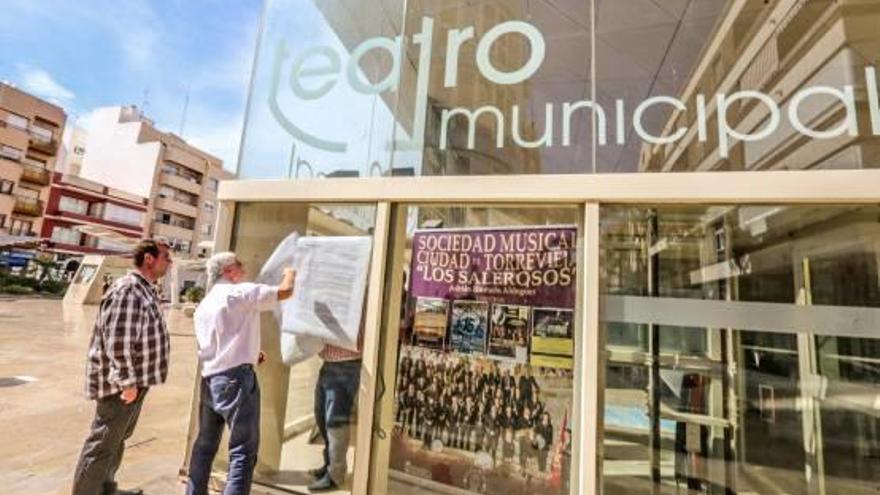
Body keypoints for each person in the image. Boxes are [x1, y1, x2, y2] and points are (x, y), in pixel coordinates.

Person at [186, 252, 296, 495]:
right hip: (235, 381)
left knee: (204, 447)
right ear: (228, 270)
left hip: (210, 381)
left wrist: (251, 352)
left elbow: (220, 340)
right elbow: (286, 291)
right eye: (240, 265)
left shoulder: (204, 304)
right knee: (242, 453)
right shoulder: (239, 292)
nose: (244, 270)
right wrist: (291, 269)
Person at [71, 239, 173, 495]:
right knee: (103, 443)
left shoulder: (145, 288)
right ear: (149, 259)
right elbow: (118, 341)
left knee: (116, 440)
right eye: (166, 258)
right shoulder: (129, 290)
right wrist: (126, 382)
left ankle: (105, 489)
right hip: (120, 384)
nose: (169, 263)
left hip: (135, 382)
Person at [309, 335, 364, 492]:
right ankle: (329, 464)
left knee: (335, 422)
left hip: (347, 363)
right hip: (328, 363)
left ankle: (335, 474)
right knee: (321, 415)